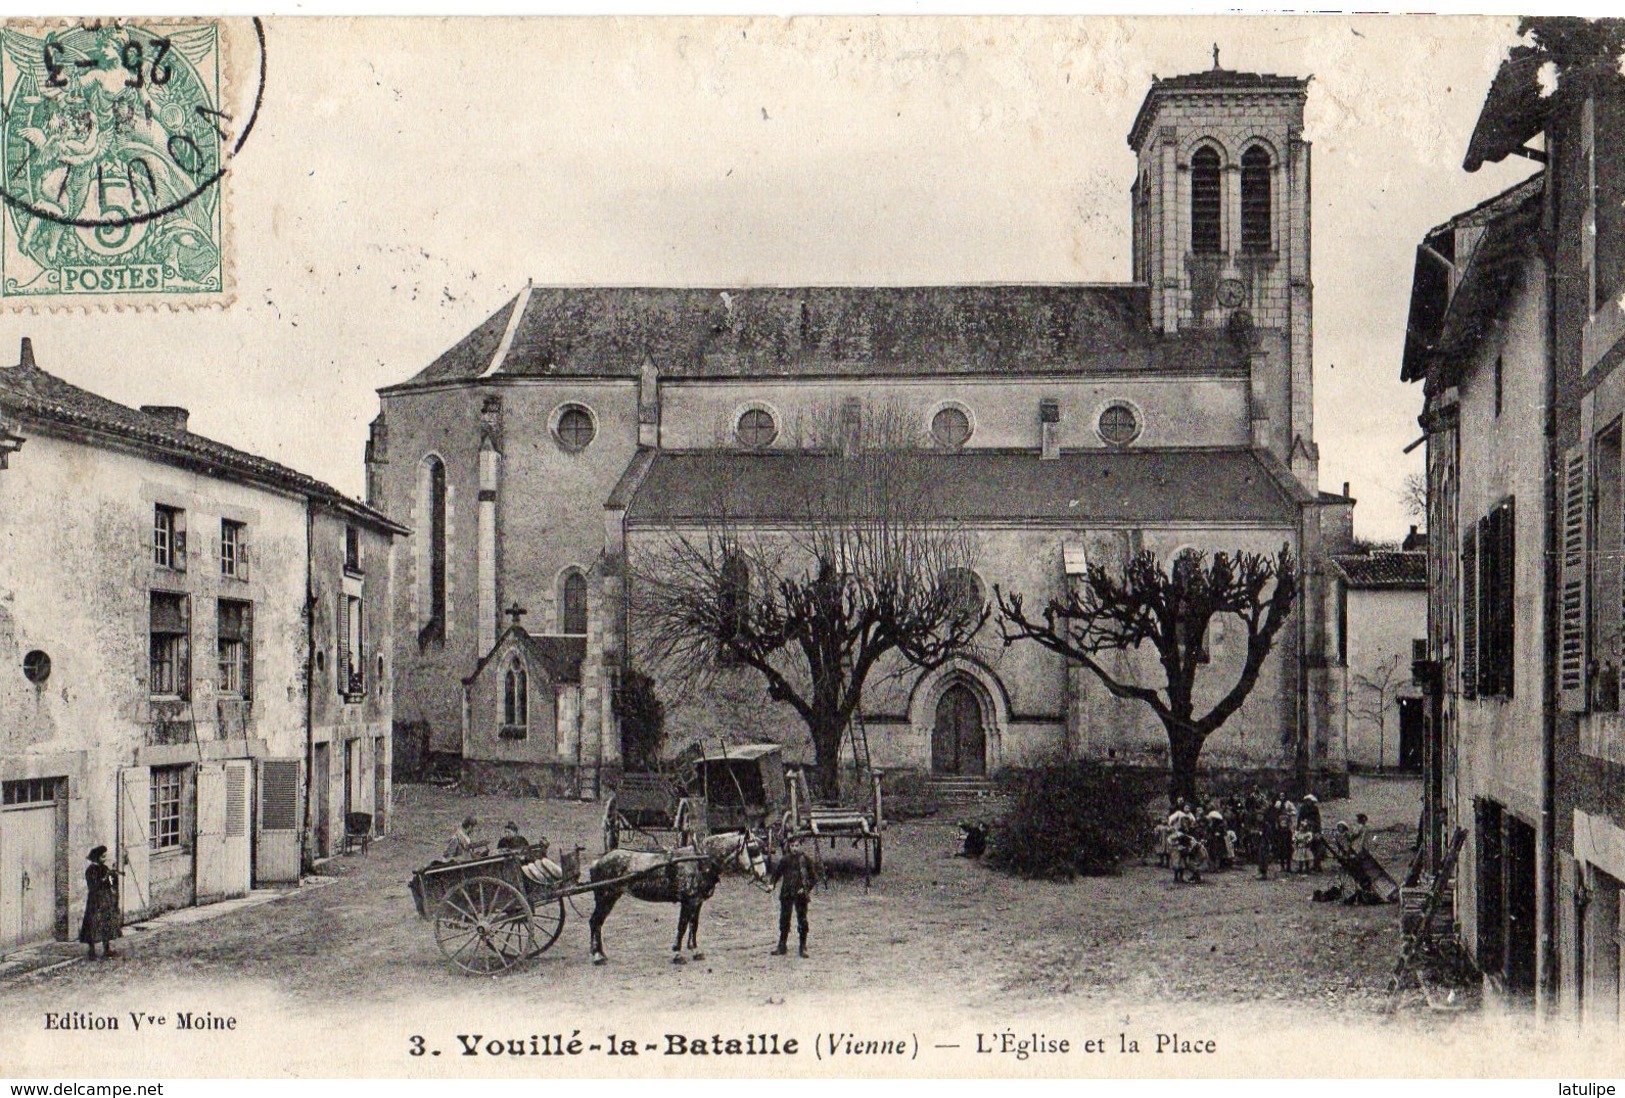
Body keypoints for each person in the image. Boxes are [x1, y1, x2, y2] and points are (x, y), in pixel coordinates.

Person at [769, 837, 818, 958]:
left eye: (796, 846)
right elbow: (776, 874)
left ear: (800, 846)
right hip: (786, 893)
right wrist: (771, 884)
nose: (794, 848)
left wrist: (805, 888)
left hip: (800, 895)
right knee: (784, 919)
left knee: (802, 920)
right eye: (792, 846)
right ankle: (782, 946)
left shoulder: (806, 860)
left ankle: (803, 947)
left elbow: (814, 878)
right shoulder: (785, 860)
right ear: (789, 847)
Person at [78, 846, 121, 960]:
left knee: (106, 922)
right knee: (93, 924)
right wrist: (104, 878)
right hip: (95, 900)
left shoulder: (105, 868)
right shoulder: (91, 870)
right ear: (96, 857)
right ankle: (91, 951)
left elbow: (110, 884)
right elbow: (93, 886)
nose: (105, 858)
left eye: (105, 856)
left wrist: (113, 877)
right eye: (103, 856)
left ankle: (107, 948)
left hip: (105, 899)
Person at [1299, 794, 1324, 871]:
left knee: (1316, 847)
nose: (1309, 802)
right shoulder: (1302, 808)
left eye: (1310, 801)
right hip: (1305, 829)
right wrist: (1299, 828)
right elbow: (1300, 818)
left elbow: (1318, 820)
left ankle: (1317, 864)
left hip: (1314, 829)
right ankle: (1305, 865)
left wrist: (1317, 829)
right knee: (1305, 847)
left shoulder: (1315, 809)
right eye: (1307, 801)